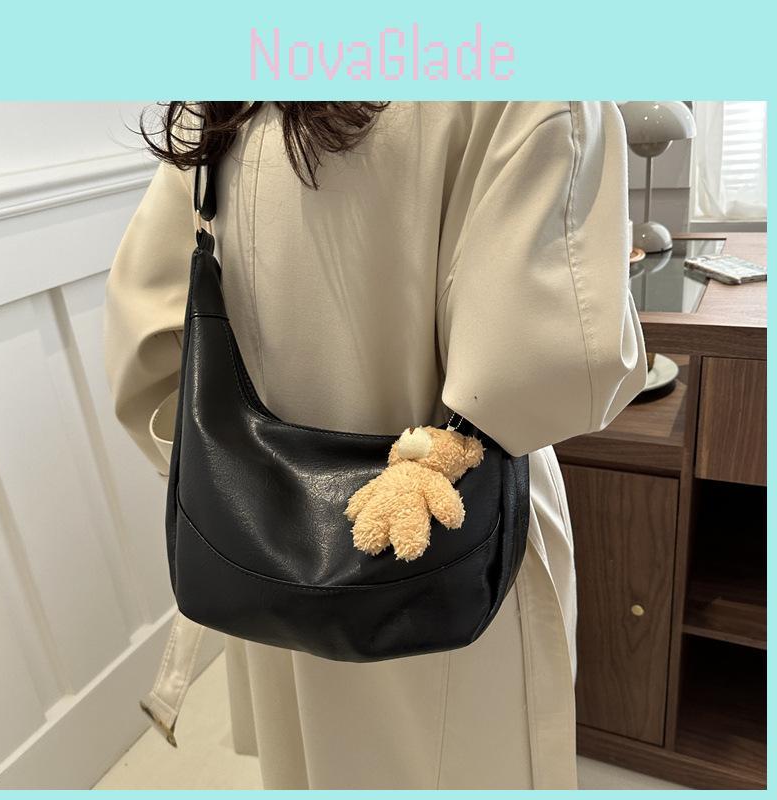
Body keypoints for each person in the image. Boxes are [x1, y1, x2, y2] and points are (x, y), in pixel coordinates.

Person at [104, 101, 647, 790]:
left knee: (315, 765)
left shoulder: (224, 97)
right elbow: (567, 357)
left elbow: (150, 352)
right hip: (457, 545)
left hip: (267, 560)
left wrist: (247, 491)